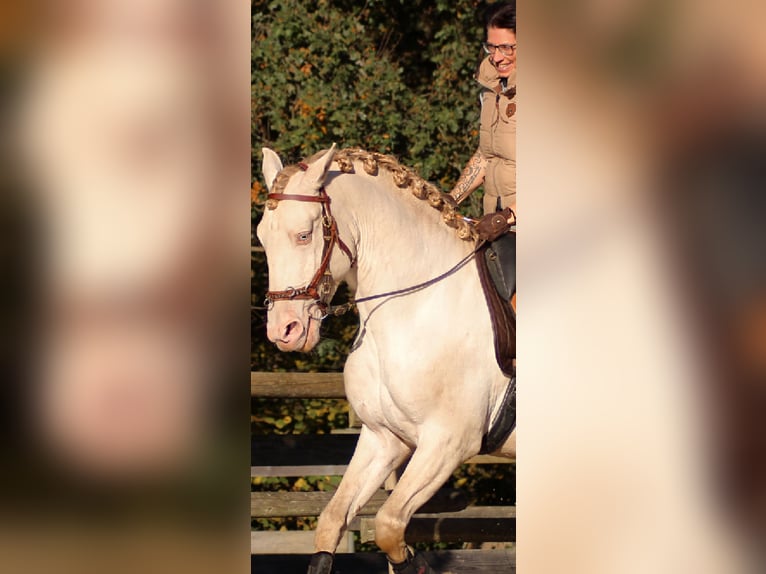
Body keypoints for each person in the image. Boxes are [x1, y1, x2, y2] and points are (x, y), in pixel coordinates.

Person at [450, 2, 516, 216]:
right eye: (492, 47)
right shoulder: (494, 90)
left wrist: (508, 217)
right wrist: (450, 201)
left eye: (507, 48)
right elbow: (487, 156)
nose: (497, 57)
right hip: (498, 220)